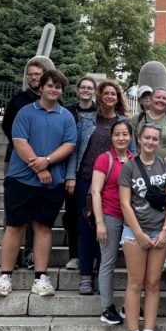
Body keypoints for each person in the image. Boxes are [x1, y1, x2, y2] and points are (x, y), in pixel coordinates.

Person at [0, 69, 77, 299]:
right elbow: (19, 142)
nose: (54, 90)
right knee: (15, 226)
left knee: (43, 227)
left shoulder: (66, 116)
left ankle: (40, 277)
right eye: (50, 85)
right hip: (21, 179)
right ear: (41, 88)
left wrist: (47, 162)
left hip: (53, 182)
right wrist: (40, 169)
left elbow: (69, 145)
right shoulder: (25, 112)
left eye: (58, 87)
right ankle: (5, 276)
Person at [64, 79, 131, 296]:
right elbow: (75, 150)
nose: (110, 96)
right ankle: (85, 276)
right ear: (99, 96)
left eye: (113, 93)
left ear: (118, 97)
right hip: (85, 179)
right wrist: (70, 177)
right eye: (106, 93)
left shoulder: (123, 122)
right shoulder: (86, 120)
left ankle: (102, 273)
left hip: (113, 183)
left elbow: (133, 154)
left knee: (108, 231)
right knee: (86, 228)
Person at [117, 123, 166, 331]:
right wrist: (139, 233)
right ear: (139, 140)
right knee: (135, 283)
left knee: (153, 284)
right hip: (135, 232)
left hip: (159, 231)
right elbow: (124, 203)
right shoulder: (129, 167)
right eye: (147, 138)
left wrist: (165, 230)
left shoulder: (165, 165)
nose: (151, 142)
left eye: (155, 139)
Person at [0, 57, 52, 268]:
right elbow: (9, 129)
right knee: (13, 212)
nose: (33, 77)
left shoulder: (53, 101)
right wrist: (27, 154)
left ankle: (31, 253)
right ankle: (11, 257)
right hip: (17, 162)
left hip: (44, 162)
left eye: (37, 74)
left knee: (37, 213)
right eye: (30, 74)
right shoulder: (19, 100)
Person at [89, 119, 134, 325]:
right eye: (117, 134)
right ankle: (107, 307)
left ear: (131, 137)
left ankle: (129, 305)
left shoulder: (135, 159)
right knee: (107, 262)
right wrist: (100, 222)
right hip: (110, 215)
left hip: (131, 219)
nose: (121, 138)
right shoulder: (104, 159)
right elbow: (96, 192)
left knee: (134, 266)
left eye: (125, 134)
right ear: (111, 137)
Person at [61, 75, 99, 271]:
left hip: (95, 173)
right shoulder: (68, 112)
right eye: (82, 87)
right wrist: (70, 175)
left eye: (89, 88)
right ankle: (75, 255)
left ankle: (91, 255)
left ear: (94, 91)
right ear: (77, 91)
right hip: (73, 169)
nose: (86, 90)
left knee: (93, 217)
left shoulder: (99, 113)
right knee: (73, 215)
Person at [134, 87, 166, 159]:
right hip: (139, 166)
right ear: (151, 99)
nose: (161, 100)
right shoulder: (137, 118)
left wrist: (162, 164)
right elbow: (129, 143)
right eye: (158, 97)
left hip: (164, 167)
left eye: (164, 98)